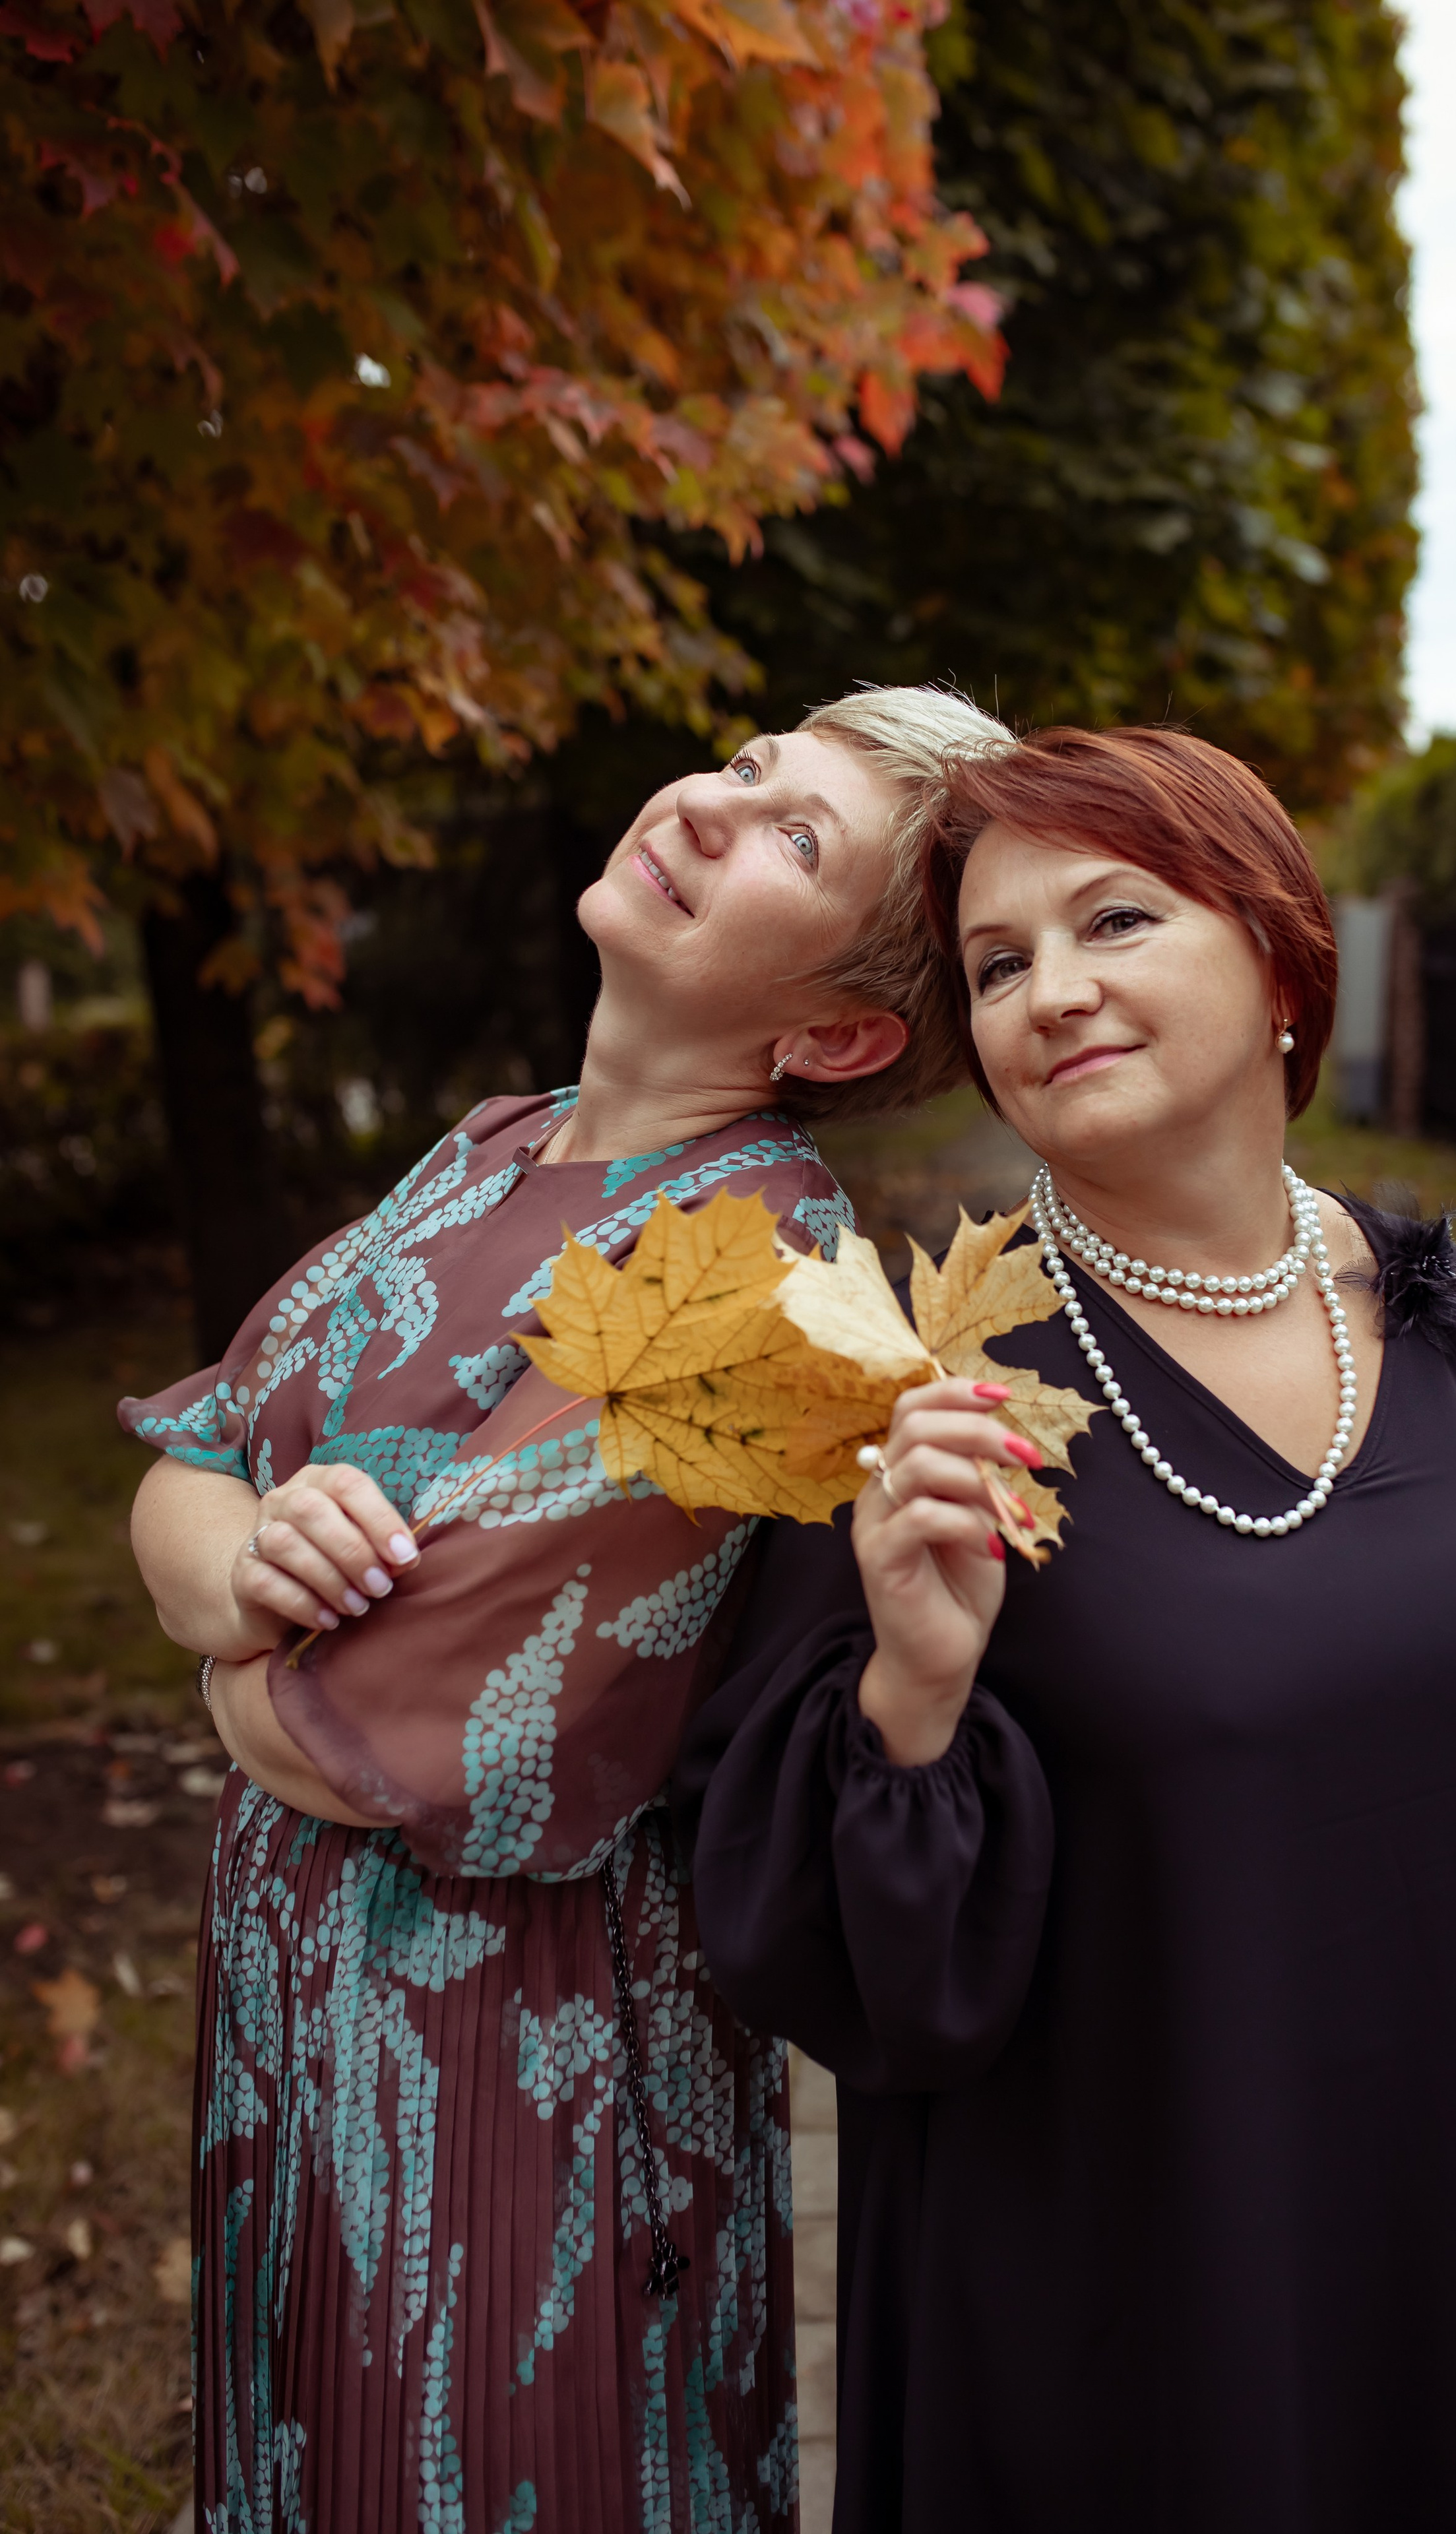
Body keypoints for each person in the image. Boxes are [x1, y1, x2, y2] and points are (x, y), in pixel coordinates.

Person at [676, 724, 1456, 2534]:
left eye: (1114, 919)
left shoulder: (1445, 1317)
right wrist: (913, 1684)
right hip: (1131, 2308)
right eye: (998, 964)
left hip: (1454, 2230)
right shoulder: (919, 1379)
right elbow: (829, 1954)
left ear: (1281, 954)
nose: (1052, 990)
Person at [122, 685, 1011, 2534]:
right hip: (308, 2025)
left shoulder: (758, 1290)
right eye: (755, 763)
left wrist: (221, 1659)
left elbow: (368, 1732)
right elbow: (191, 1450)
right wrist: (228, 1570)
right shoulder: (488, 1147)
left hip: (502, 2091)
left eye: (796, 837)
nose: (714, 801)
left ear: (838, 1030)